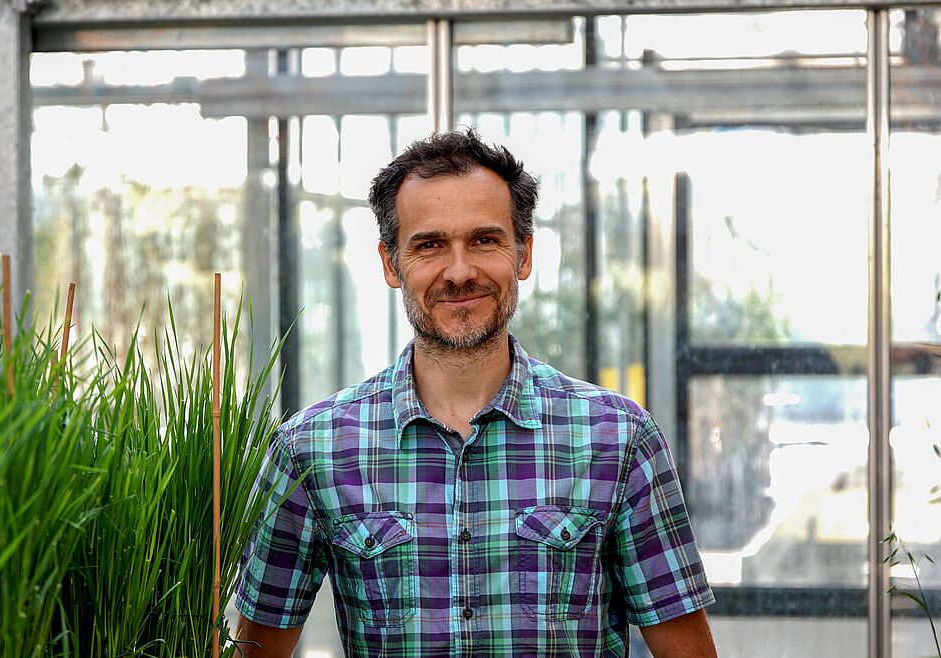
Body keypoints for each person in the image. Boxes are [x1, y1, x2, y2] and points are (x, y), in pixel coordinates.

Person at [233, 129, 717, 657]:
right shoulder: (312, 449)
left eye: (484, 240)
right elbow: (257, 650)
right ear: (392, 263)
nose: (459, 272)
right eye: (429, 245)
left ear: (524, 254)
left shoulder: (620, 439)